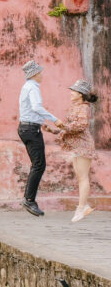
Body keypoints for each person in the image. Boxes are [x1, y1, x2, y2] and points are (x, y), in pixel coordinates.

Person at [18, 60, 65, 217]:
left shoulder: (26, 87)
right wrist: (54, 119)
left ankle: (29, 199)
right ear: (36, 74)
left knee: (37, 164)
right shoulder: (33, 87)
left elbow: (30, 110)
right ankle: (29, 199)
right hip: (31, 129)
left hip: (27, 127)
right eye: (40, 72)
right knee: (39, 165)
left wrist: (41, 123)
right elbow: (37, 107)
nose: (42, 74)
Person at [57, 80, 98, 222]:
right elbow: (69, 126)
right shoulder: (75, 107)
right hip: (78, 146)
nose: (71, 92)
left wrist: (63, 127)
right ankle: (83, 206)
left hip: (84, 145)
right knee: (81, 177)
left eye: (74, 91)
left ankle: (81, 208)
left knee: (83, 177)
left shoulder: (83, 108)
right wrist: (55, 129)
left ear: (81, 94)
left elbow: (80, 125)